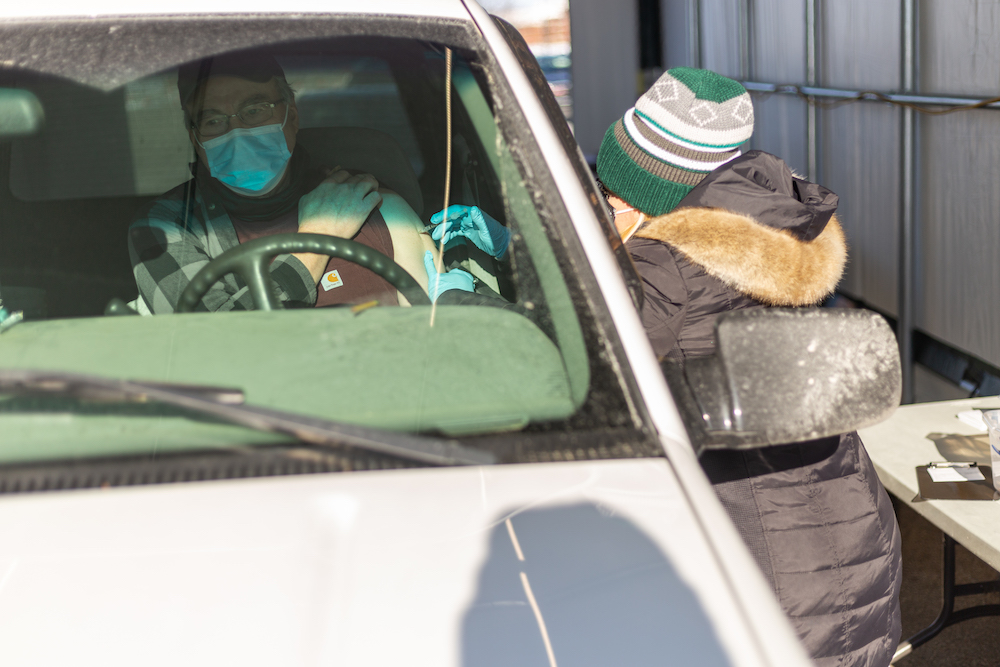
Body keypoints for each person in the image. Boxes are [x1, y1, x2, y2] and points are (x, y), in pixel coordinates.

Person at [595, 67, 902, 667]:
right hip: (848, 526)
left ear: (651, 192)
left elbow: (582, 374)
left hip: (764, 555)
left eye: (611, 194)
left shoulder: (660, 266)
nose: (603, 206)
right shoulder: (780, 232)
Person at [128, 53, 473, 313]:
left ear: (291, 114)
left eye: (255, 110)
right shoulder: (166, 229)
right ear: (194, 136)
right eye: (214, 120)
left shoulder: (376, 205)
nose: (237, 132)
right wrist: (320, 235)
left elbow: (434, 347)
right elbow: (218, 345)